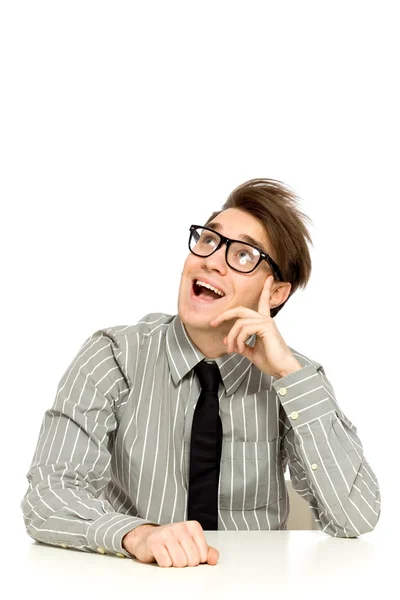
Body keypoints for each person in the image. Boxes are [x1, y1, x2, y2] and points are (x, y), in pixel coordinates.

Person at [21, 178, 381, 568]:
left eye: (244, 256)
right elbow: (48, 495)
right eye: (209, 240)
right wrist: (136, 534)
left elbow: (354, 517)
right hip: (136, 583)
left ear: (275, 293)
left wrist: (288, 375)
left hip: (257, 587)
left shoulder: (294, 378)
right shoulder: (113, 356)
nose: (211, 260)